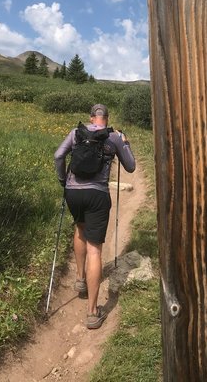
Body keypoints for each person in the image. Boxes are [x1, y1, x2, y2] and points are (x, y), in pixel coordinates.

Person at [54, 104, 136, 329]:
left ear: (91, 118)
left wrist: (63, 180)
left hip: (73, 193)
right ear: (106, 118)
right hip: (98, 194)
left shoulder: (76, 132)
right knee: (94, 249)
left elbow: (58, 155)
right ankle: (92, 312)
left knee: (79, 229)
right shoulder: (114, 136)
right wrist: (125, 142)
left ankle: (80, 280)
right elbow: (130, 166)